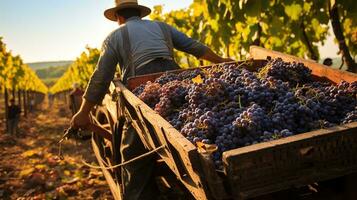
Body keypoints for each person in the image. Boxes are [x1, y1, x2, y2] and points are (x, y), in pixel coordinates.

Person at [71, 0, 233, 199]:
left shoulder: (114, 37)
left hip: (143, 92)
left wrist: (83, 112)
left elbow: (101, 77)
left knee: (133, 157)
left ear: (119, 18)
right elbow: (194, 47)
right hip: (175, 85)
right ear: (140, 14)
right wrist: (222, 61)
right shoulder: (161, 27)